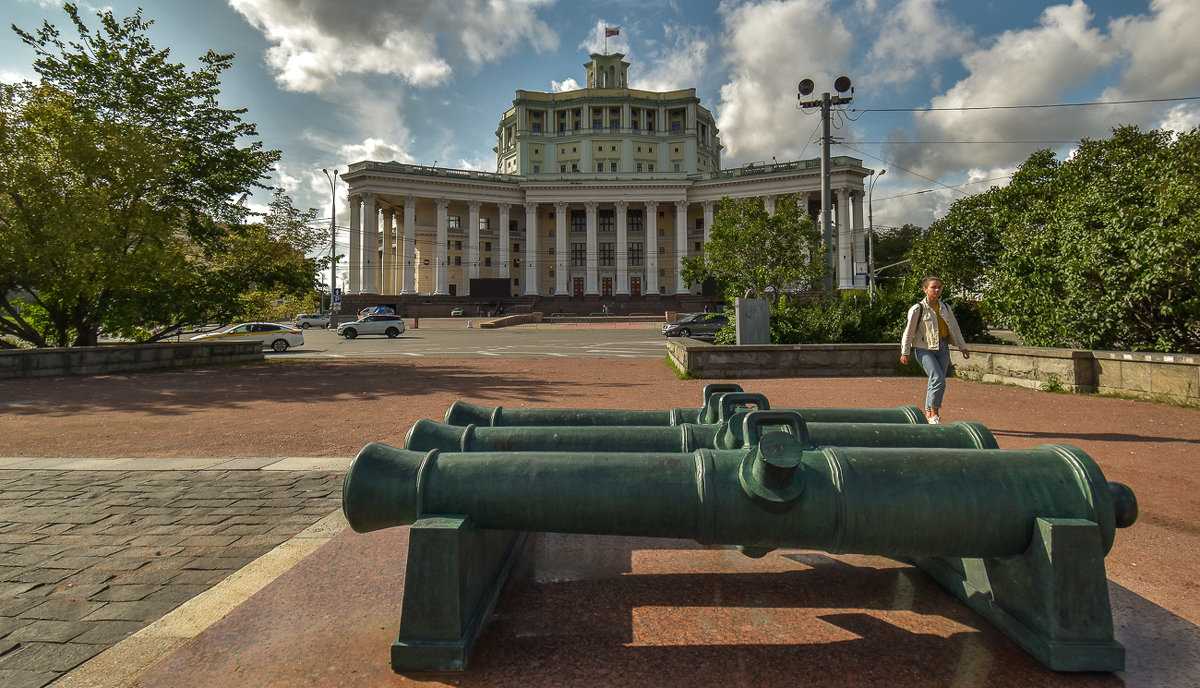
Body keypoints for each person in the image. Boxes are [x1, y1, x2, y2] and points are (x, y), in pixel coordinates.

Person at [900, 275, 971, 424]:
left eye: (939, 287)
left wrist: (962, 347)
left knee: (935, 380)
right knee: (938, 379)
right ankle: (934, 414)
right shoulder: (918, 309)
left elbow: (955, 328)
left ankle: (927, 413)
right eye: (933, 287)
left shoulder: (945, 307)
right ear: (925, 289)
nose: (937, 290)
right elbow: (909, 331)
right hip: (923, 348)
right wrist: (905, 352)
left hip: (942, 347)